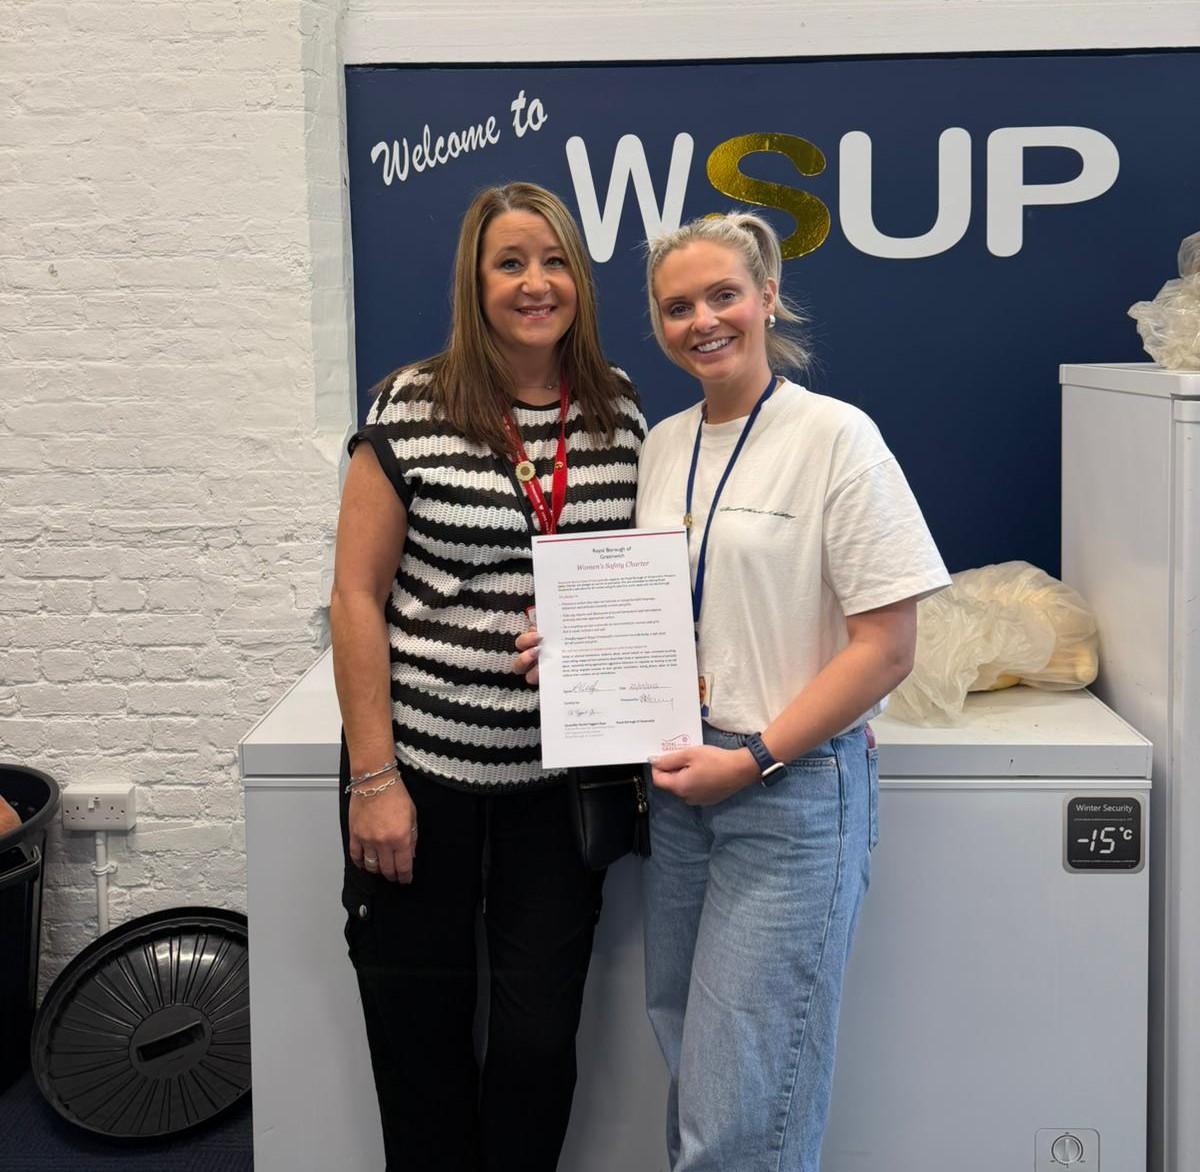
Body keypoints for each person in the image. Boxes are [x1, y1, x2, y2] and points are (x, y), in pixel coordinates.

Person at [516, 210, 949, 1170]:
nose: (703, 321)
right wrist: (578, 646)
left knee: (743, 1106)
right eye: (678, 307)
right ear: (657, 323)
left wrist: (754, 758)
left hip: (787, 788)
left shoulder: (836, 437)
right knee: (694, 1060)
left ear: (767, 298)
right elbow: (664, 612)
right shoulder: (664, 445)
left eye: (723, 296)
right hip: (682, 787)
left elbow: (887, 648)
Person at [330, 181, 645, 1172]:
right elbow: (354, 596)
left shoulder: (618, 407)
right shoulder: (412, 403)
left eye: (554, 262)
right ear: (475, 280)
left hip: (559, 788)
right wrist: (374, 779)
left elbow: (636, 584)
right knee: (419, 1043)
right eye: (510, 262)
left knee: (538, 1045)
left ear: (579, 279)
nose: (535, 283)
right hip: (420, 777)